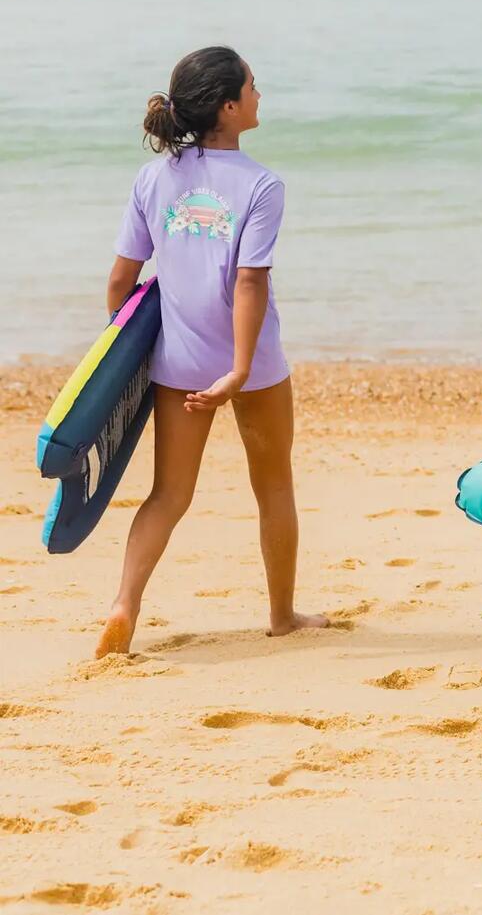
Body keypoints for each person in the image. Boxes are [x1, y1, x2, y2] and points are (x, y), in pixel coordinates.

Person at [96, 47, 326, 658]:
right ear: (228, 105)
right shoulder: (261, 184)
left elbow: (121, 283)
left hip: (180, 365)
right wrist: (242, 370)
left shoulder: (154, 178)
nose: (259, 92)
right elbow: (250, 282)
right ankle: (281, 615)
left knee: (168, 494)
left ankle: (124, 605)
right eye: (253, 85)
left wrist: (123, 359)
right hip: (253, 365)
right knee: (273, 484)